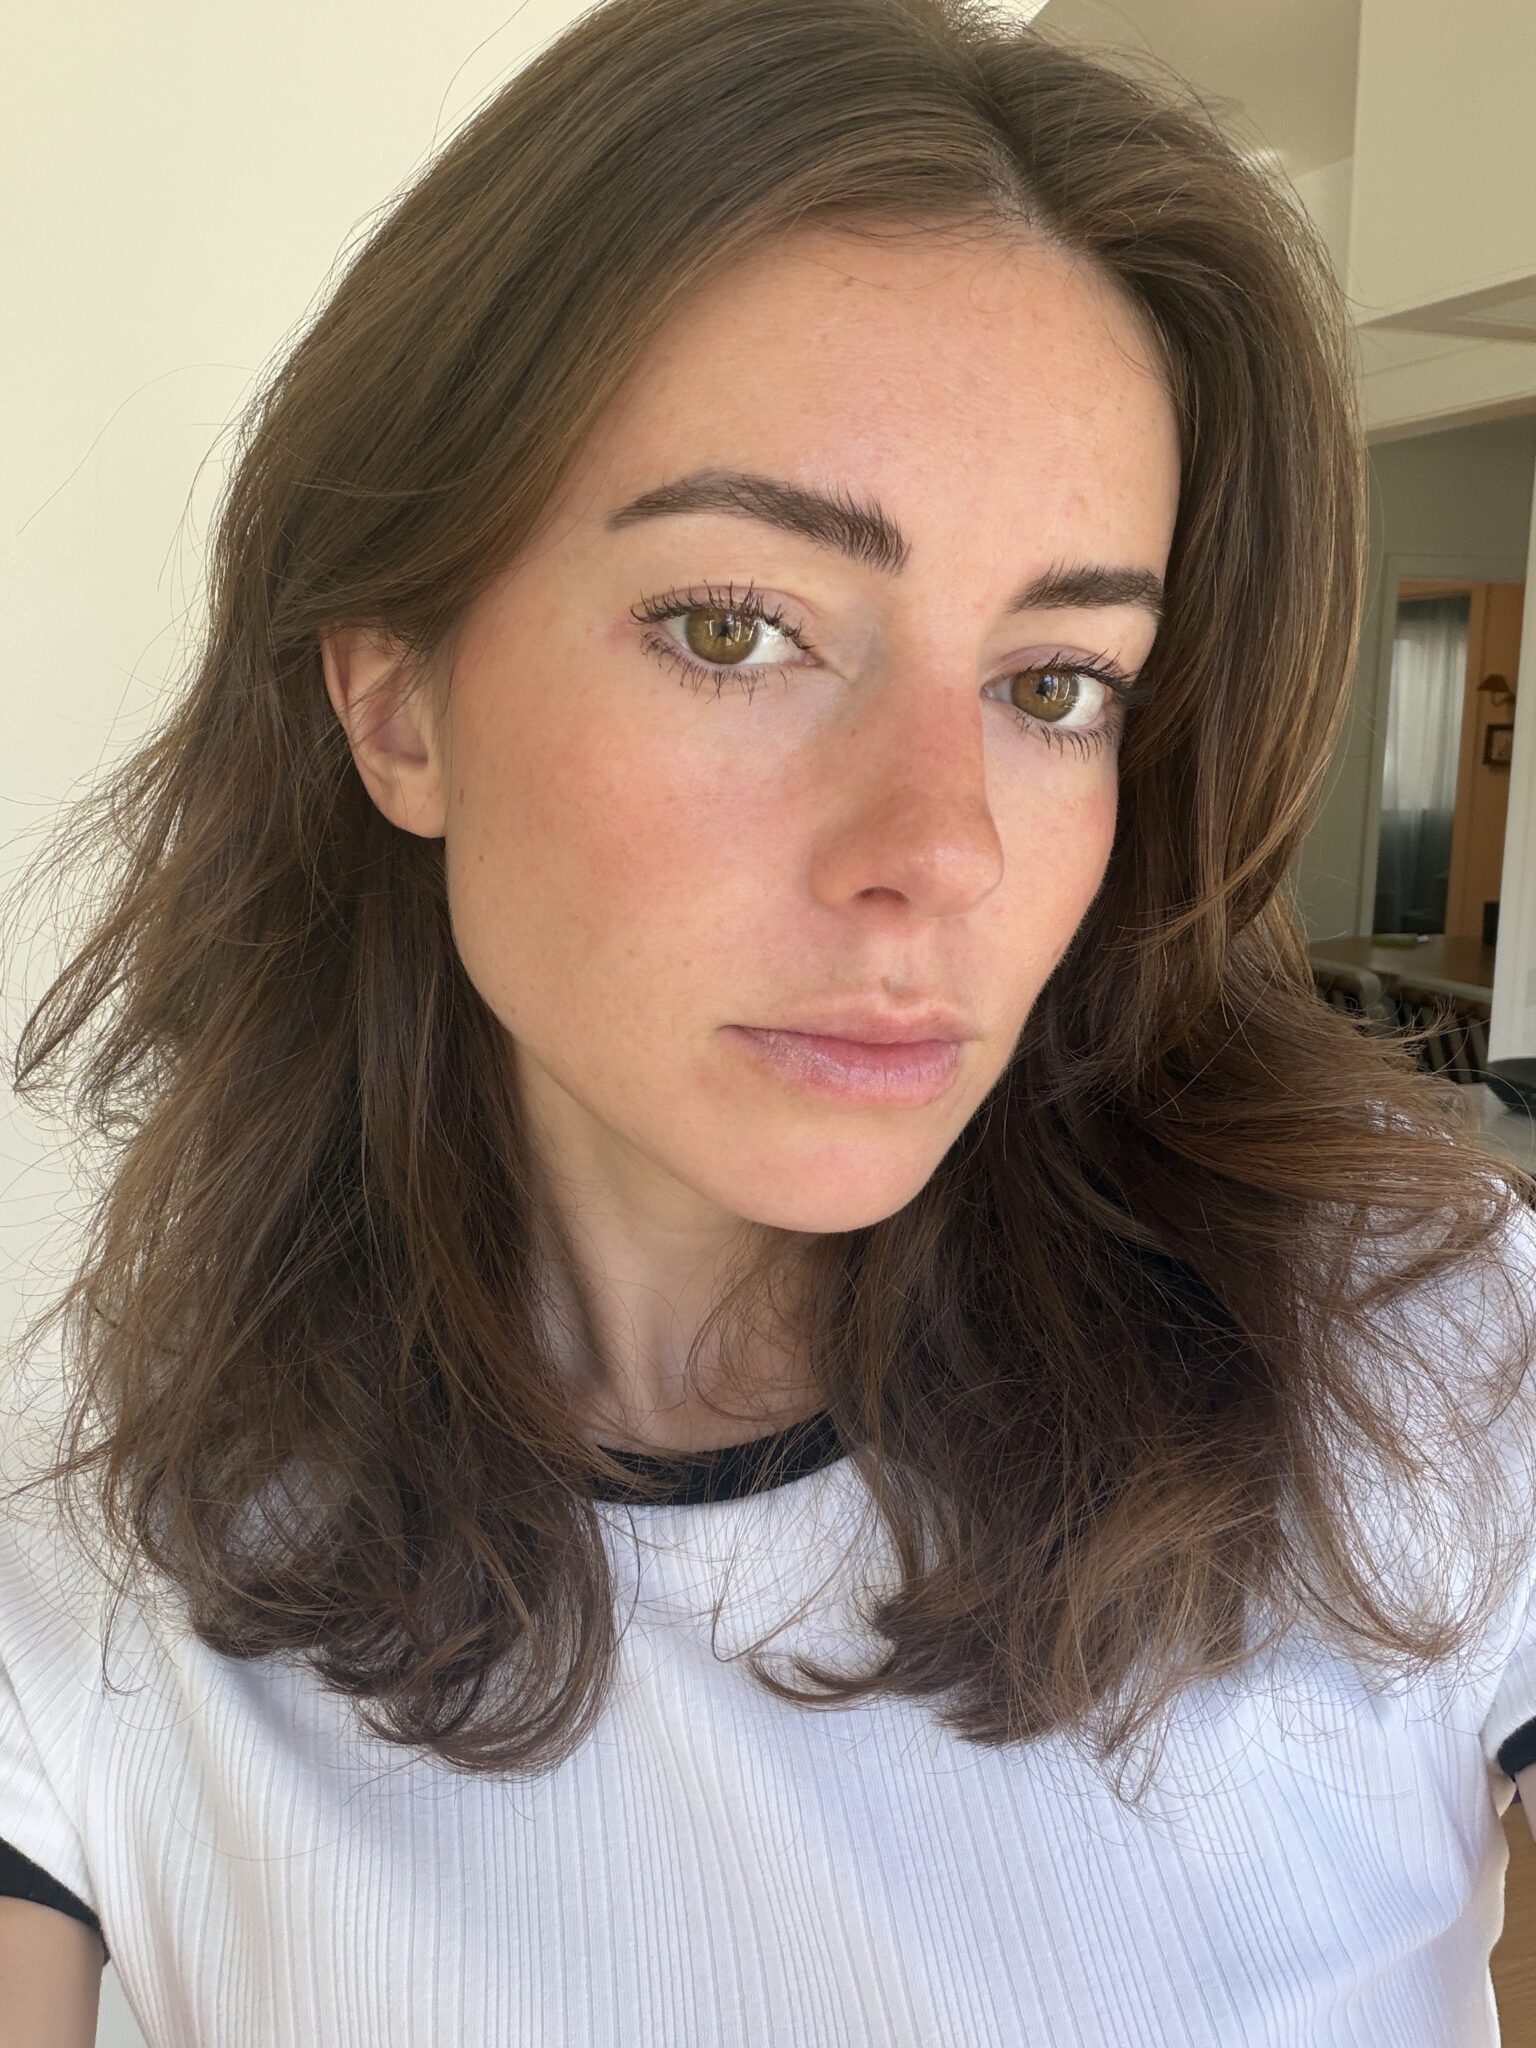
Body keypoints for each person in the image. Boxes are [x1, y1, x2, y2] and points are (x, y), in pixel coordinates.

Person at [4, 0, 1536, 2040]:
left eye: (1056, 679)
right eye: (735, 629)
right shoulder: (107, 1584)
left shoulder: (1436, 1374)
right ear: (395, 702)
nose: (943, 849)